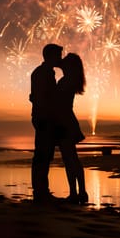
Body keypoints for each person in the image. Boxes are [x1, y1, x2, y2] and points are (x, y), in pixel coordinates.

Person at [29, 43, 63, 203]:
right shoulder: (44, 73)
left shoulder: (43, 72)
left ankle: (41, 190)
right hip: (44, 118)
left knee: (43, 155)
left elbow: (36, 96)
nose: (60, 59)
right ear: (50, 56)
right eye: (58, 56)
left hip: (41, 117)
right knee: (43, 155)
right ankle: (41, 192)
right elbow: (43, 98)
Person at [56, 53, 88, 204]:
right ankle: (79, 192)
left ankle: (77, 193)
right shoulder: (71, 80)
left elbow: (58, 103)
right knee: (72, 158)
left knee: (70, 159)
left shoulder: (66, 81)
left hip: (64, 122)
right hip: (68, 120)